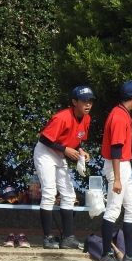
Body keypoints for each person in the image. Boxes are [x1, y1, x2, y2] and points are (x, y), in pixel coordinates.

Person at [34, 86, 94, 250]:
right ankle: (47, 238)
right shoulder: (62, 118)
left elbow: (76, 139)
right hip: (45, 153)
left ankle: (68, 238)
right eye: (84, 101)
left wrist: (81, 150)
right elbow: (44, 139)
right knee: (49, 193)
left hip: (59, 153)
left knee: (68, 195)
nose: (88, 104)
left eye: (90, 101)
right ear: (74, 102)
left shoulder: (86, 118)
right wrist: (65, 150)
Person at [99, 80, 132, 261]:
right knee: (113, 209)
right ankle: (106, 254)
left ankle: (129, 254)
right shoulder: (120, 116)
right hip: (118, 165)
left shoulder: (121, 112)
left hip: (122, 165)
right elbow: (116, 148)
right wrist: (117, 178)